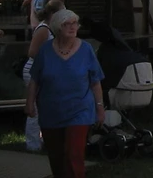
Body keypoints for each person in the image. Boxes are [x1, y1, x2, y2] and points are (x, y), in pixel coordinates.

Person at [25, 9, 105, 178]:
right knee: (56, 156)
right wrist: (29, 102)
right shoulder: (46, 50)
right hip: (51, 110)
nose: (72, 27)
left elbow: (95, 81)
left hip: (79, 110)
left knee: (73, 153)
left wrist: (100, 108)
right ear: (57, 27)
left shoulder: (86, 49)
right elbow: (34, 79)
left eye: (74, 23)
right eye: (66, 24)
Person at [23, 0, 66, 151]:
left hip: (46, 71)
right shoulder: (44, 29)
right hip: (34, 71)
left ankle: (45, 140)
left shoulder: (54, 29)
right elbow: (32, 52)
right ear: (53, 14)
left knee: (47, 106)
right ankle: (32, 144)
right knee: (34, 107)